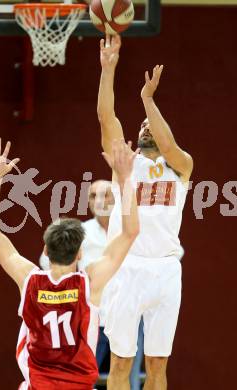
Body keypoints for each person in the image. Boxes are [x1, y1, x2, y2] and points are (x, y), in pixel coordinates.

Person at [0, 137, 139, 390]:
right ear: (79, 255)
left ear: (45, 250)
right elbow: (131, 232)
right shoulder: (89, 283)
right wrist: (125, 178)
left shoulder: (29, 279)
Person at [97, 35, 193, 390]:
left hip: (166, 270)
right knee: (121, 362)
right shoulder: (126, 162)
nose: (146, 126)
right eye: (142, 125)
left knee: (157, 364)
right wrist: (109, 70)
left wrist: (147, 100)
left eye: (152, 124)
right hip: (128, 267)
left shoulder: (182, 166)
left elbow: (168, 144)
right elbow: (106, 117)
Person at [39, 180, 145, 388]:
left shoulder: (132, 232)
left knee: (130, 380)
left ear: (116, 198)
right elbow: (48, 262)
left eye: (105, 195)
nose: (99, 201)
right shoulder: (79, 234)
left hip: (129, 317)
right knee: (82, 378)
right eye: (93, 196)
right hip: (90, 320)